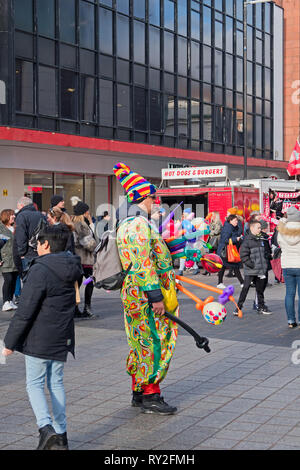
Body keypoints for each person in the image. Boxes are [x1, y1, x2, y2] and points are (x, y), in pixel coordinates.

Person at [2, 225, 82, 450]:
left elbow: (25, 309)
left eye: (37, 243)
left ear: (45, 244)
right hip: (62, 334)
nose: (36, 247)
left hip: (40, 336)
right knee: (56, 382)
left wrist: (9, 343)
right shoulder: (73, 265)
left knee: (34, 384)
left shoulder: (41, 269)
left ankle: (45, 429)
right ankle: (61, 436)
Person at [114, 162, 178, 415]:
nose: (156, 201)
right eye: (154, 197)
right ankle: (151, 395)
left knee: (139, 341)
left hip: (134, 292)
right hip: (144, 294)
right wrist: (155, 296)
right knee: (153, 341)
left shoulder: (130, 223)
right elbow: (142, 263)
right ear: (144, 197)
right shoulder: (138, 225)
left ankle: (139, 392)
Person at [233, 219, 271, 316]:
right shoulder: (247, 240)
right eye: (258, 228)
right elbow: (243, 256)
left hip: (260, 270)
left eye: (260, 228)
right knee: (245, 288)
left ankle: (261, 307)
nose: (260, 229)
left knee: (260, 290)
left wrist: (267, 259)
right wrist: (252, 265)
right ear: (252, 228)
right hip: (251, 270)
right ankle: (238, 308)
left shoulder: (261, 239)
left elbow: (264, 253)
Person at [71, 197, 97, 319]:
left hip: (76, 259)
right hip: (85, 259)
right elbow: (88, 242)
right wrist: (96, 246)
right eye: (87, 211)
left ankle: (75, 308)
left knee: (78, 283)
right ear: (84, 212)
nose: (89, 213)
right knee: (90, 281)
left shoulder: (72, 223)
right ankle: (87, 307)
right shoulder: (81, 225)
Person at [277, 206, 300, 328]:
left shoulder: (282, 231)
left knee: (289, 294)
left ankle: (291, 320)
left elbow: (279, 244)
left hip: (287, 265)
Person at [14, 196, 44, 276]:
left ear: (21, 205)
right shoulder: (41, 215)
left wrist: (21, 253)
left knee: (28, 279)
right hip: (41, 251)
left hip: (28, 253)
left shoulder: (22, 215)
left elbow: (21, 236)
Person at [217, 214, 244, 289]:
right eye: (235, 220)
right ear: (230, 220)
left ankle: (220, 282)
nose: (236, 222)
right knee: (234, 266)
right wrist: (236, 239)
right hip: (226, 250)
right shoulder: (228, 228)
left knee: (225, 266)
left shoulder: (231, 227)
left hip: (227, 249)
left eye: (237, 221)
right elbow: (225, 239)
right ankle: (242, 282)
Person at [0, 209, 18, 312]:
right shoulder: (1, 229)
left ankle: (10, 300)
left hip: (15, 259)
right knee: (8, 280)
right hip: (5, 259)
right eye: (11, 215)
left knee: (14, 280)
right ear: (6, 216)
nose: (14, 217)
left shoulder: (15, 228)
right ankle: (5, 302)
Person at [253, 219, 272, 311]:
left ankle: (259, 302)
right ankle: (258, 303)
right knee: (260, 285)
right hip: (260, 264)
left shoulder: (264, 237)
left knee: (263, 284)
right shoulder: (260, 238)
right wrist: (269, 255)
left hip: (264, 262)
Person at [178, 209, 199, 276]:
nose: (183, 214)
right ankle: (182, 269)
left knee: (186, 255)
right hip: (186, 240)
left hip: (188, 241)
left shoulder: (190, 222)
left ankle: (181, 270)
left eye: (184, 213)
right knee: (187, 255)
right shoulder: (185, 222)